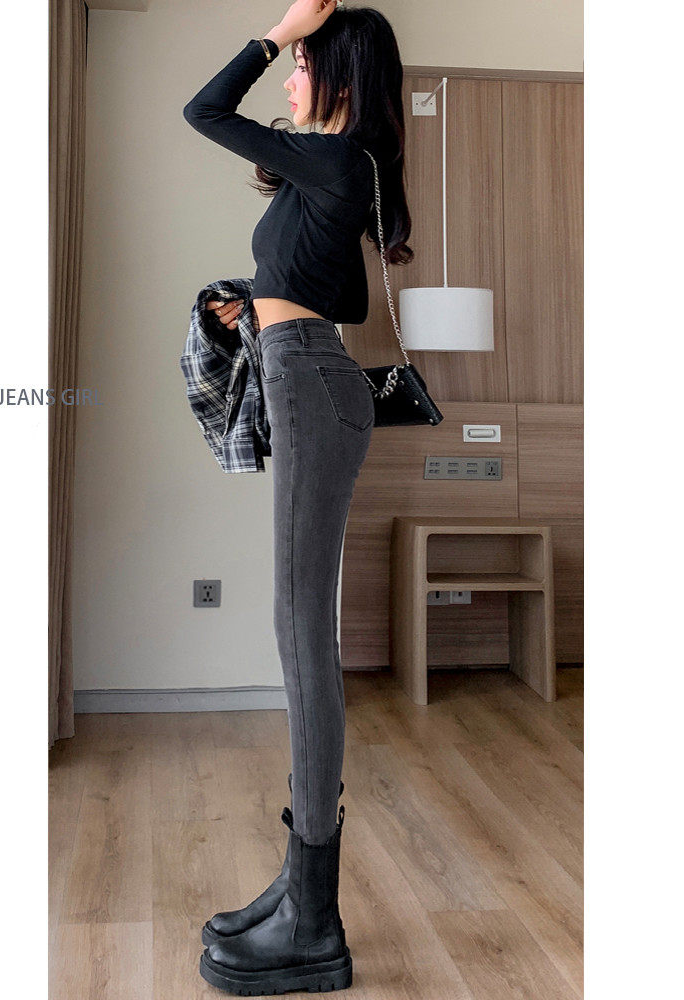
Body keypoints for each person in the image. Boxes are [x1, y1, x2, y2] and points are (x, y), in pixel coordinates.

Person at [182, 2, 412, 994]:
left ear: (340, 77)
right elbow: (339, 294)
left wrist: (277, 27)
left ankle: (314, 919)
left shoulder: (337, 158)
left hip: (311, 385)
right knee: (298, 626)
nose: (286, 76)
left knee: (301, 630)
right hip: (307, 374)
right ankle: (295, 887)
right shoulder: (335, 170)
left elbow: (202, 109)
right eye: (287, 59)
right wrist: (254, 307)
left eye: (301, 63)